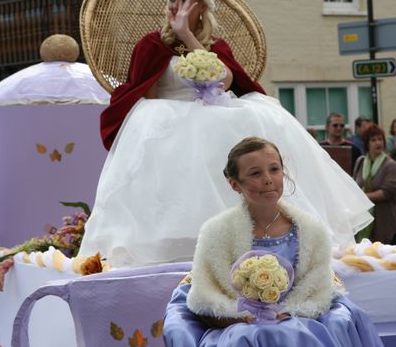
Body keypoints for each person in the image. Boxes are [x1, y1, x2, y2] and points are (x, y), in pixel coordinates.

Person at [80, 0, 373, 266]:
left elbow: (227, 81)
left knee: (258, 117)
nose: (174, 7)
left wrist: (188, 37)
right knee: (166, 137)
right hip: (169, 122)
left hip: (214, 113)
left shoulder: (216, 46)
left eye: (183, 0)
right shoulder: (151, 44)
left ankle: (266, 235)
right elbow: (147, 92)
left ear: (200, 8)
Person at [163, 137, 384, 347]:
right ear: (234, 184)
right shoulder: (217, 232)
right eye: (255, 173)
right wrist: (237, 317)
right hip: (239, 323)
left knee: (296, 330)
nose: (268, 179)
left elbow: (318, 287)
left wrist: (292, 312)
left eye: (274, 169)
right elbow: (206, 292)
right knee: (249, 336)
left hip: (299, 318)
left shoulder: (311, 231)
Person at [352, 124, 396, 245]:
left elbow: (386, 193)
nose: (378, 143)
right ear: (367, 144)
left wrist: (361, 197)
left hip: (386, 222)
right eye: (373, 140)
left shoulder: (390, 164)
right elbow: (354, 186)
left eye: (380, 139)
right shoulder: (360, 161)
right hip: (365, 221)